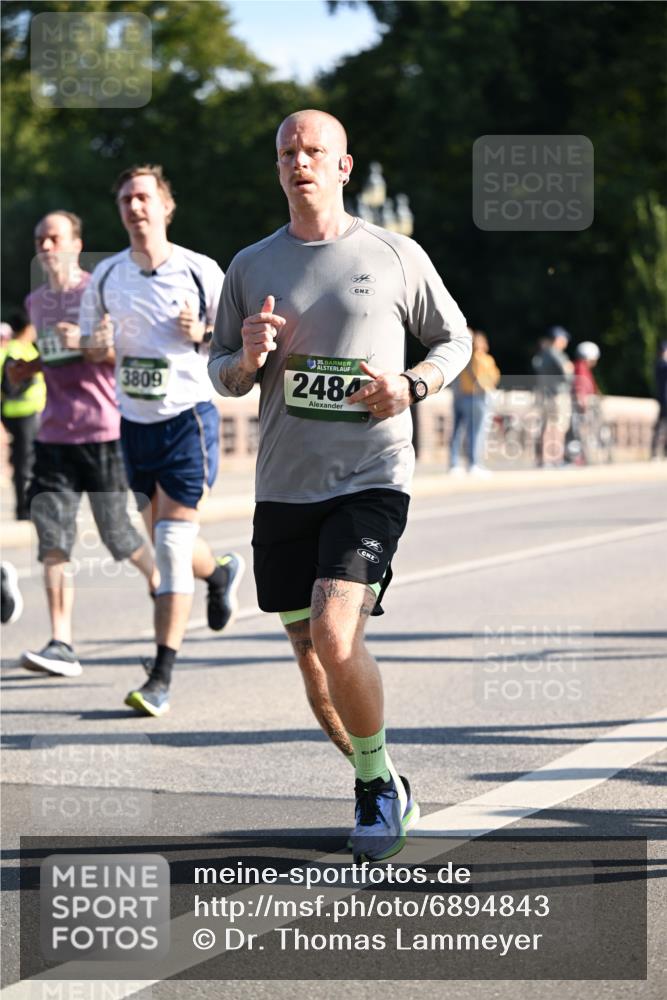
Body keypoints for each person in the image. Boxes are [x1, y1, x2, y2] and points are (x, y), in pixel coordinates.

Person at [208, 110, 471, 861]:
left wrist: (410, 385)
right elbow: (221, 373)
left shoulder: (393, 254)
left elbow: (453, 338)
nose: (300, 162)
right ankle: (380, 775)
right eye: (287, 151)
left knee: (334, 630)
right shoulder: (250, 265)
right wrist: (245, 359)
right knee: (311, 655)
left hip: (371, 476)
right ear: (277, 166)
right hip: (284, 484)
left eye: (314, 151)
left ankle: (374, 791)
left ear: (343, 166)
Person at [79, 165, 244, 717]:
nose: (134, 206)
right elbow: (92, 347)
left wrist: (200, 333)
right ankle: (219, 572)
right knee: (166, 537)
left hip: (186, 421)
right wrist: (98, 344)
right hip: (134, 425)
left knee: (170, 546)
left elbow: (235, 344)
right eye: (126, 199)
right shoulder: (106, 276)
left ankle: (161, 677)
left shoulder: (200, 270)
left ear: (166, 206)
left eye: (144, 197)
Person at [10, 210, 153, 678]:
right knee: (53, 538)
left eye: (54, 238)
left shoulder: (100, 291)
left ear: (76, 244)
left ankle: (163, 584)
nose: (46, 246)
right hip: (53, 434)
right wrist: (27, 368)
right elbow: (53, 356)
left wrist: (89, 340)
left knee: (118, 536)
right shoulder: (35, 302)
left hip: (103, 431)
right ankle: (61, 642)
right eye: (40, 239)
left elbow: (128, 353)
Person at [0, 308, 46, 519]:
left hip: (25, 413)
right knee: (25, 462)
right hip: (22, 414)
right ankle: (24, 508)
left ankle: (26, 506)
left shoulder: (20, 348)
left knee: (25, 460)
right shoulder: (17, 350)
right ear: (27, 328)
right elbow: (10, 384)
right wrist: (30, 379)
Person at [449, 328, 500, 477]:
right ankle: (474, 464)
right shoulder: (481, 358)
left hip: (461, 396)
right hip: (476, 397)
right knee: (476, 432)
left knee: (458, 431)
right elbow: (490, 378)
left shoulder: (462, 357)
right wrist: (489, 389)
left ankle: (454, 464)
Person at [533, 325, 574, 467]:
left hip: (546, 394)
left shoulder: (543, 354)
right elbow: (568, 374)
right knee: (557, 427)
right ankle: (555, 459)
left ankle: (546, 459)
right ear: (558, 339)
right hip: (557, 395)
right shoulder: (556, 353)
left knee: (548, 426)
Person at [650, 341, 667, 460]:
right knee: (661, 427)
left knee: (661, 427)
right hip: (664, 400)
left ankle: (659, 452)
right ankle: (656, 453)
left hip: (663, 400)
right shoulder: (661, 365)